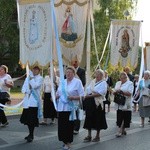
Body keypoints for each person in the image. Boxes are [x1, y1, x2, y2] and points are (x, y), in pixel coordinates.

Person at [56, 66, 84, 150]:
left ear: (74, 74)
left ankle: (68, 143)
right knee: (61, 126)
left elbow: (82, 95)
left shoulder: (77, 82)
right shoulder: (62, 82)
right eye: (67, 72)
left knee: (68, 126)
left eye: (70, 72)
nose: (68, 74)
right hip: (61, 107)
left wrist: (73, 98)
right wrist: (55, 97)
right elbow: (58, 92)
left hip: (70, 108)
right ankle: (64, 142)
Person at [83, 69, 108, 142]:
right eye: (96, 74)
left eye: (99, 74)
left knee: (98, 119)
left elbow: (101, 93)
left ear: (102, 75)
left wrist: (90, 95)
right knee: (89, 118)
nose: (97, 75)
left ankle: (97, 136)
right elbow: (88, 90)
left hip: (98, 103)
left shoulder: (103, 83)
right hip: (90, 102)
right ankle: (89, 135)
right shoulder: (93, 81)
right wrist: (88, 95)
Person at [20, 66, 43, 142]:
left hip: (34, 102)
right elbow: (23, 88)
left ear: (39, 70)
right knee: (27, 120)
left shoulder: (40, 78)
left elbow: (35, 86)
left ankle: (31, 135)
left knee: (32, 120)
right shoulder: (28, 78)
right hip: (27, 101)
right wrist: (26, 91)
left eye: (36, 69)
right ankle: (30, 133)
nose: (34, 70)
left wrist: (31, 78)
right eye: (33, 69)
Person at [113, 72, 133, 137]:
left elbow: (130, 93)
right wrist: (114, 92)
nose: (121, 79)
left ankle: (121, 130)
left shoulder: (130, 83)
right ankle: (121, 130)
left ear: (126, 77)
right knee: (120, 117)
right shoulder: (118, 83)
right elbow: (115, 89)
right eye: (120, 78)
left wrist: (121, 92)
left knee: (125, 117)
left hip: (126, 102)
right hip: (118, 102)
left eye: (123, 78)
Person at [71, 58, 86, 135]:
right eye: (73, 62)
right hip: (70, 96)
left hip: (77, 95)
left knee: (77, 112)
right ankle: (71, 127)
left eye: (76, 62)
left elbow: (83, 82)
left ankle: (76, 128)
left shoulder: (82, 71)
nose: (74, 63)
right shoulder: (69, 70)